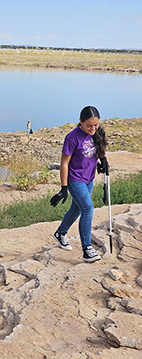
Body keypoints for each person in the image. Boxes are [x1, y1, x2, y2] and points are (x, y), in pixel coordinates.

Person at [50, 106, 108, 263]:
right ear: (80, 121)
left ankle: (60, 233)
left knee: (76, 208)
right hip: (75, 179)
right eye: (89, 125)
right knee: (87, 208)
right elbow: (64, 164)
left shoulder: (96, 132)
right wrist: (63, 188)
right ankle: (87, 250)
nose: (93, 128)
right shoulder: (72, 138)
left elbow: (100, 148)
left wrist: (103, 160)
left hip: (89, 178)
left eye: (95, 125)